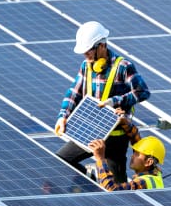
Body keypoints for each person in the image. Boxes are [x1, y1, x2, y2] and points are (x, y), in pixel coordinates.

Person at [54, 21, 150, 182]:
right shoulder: (86, 66)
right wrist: (63, 116)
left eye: (88, 51)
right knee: (60, 160)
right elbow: (73, 92)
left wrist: (116, 101)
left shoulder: (123, 67)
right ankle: (89, 179)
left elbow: (143, 92)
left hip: (115, 138)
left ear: (102, 46)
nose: (86, 55)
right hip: (89, 132)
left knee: (116, 187)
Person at [87, 116, 165, 190]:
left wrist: (100, 159)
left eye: (137, 154)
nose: (132, 155)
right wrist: (126, 123)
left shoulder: (143, 182)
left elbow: (111, 189)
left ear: (148, 162)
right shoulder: (155, 175)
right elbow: (136, 140)